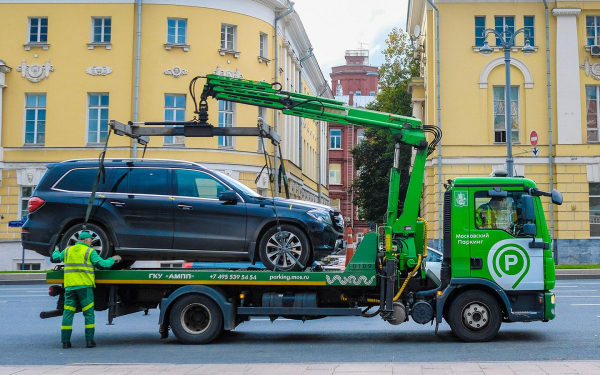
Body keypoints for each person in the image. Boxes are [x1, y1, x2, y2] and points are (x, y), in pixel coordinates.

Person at [51, 231, 121, 349]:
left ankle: (65, 342)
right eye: (90, 240)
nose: (91, 242)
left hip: (70, 287)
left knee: (68, 313)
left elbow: (55, 258)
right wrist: (113, 259)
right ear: (86, 240)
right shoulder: (89, 251)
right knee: (88, 314)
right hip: (84, 287)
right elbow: (103, 265)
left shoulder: (68, 250)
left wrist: (56, 249)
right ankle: (89, 341)